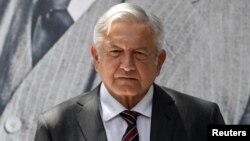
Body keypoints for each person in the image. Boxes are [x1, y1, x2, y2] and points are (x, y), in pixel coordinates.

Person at [34, 3, 225, 141]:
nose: (127, 65)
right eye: (116, 52)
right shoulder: (55, 126)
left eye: (139, 53)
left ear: (159, 61)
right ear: (96, 57)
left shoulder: (204, 118)